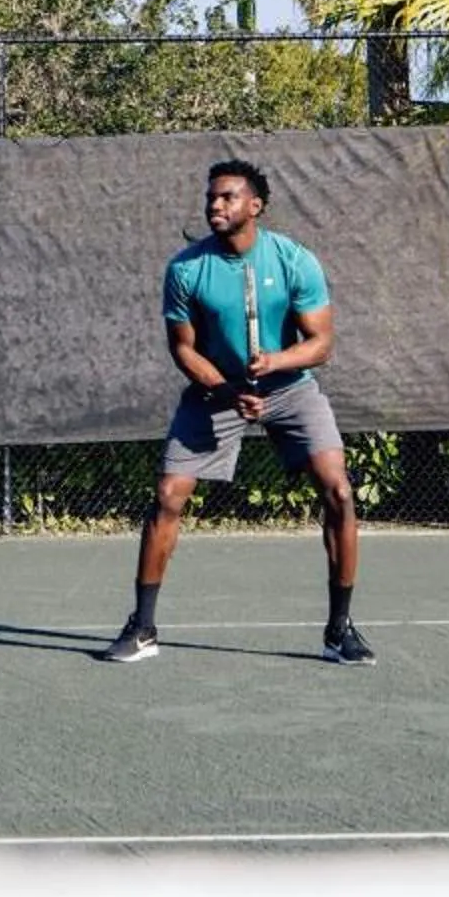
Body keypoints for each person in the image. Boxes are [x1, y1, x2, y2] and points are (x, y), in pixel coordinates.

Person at [100, 158, 373, 667]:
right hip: (214, 391)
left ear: (255, 205)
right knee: (167, 495)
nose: (215, 205)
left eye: (227, 197)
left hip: (291, 388)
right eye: (211, 198)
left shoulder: (295, 261)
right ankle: (142, 627)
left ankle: (339, 630)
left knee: (338, 488)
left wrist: (275, 361)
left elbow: (321, 345)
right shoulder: (186, 269)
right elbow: (183, 349)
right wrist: (227, 391)